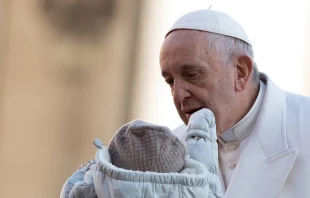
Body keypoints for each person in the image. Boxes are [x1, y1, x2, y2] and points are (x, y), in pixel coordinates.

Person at [161, 9, 310, 197]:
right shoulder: (170, 151)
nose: (178, 95)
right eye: (170, 82)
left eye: (191, 75)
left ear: (240, 72)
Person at [60, 109, 222, 198]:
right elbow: (210, 182)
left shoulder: (93, 189)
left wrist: (87, 173)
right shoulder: (199, 192)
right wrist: (200, 132)